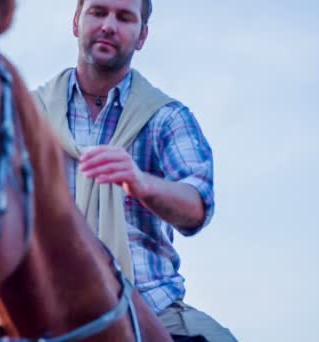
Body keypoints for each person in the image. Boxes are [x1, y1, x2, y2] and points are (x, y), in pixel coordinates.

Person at [32, 0, 237, 340]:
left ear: (142, 36)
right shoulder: (29, 114)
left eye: (125, 17)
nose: (109, 25)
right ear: (75, 23)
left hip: (149, 304)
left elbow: (196, 207)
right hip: (46, 305)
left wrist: (142, 183)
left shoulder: (165, 117)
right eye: (98, 12)